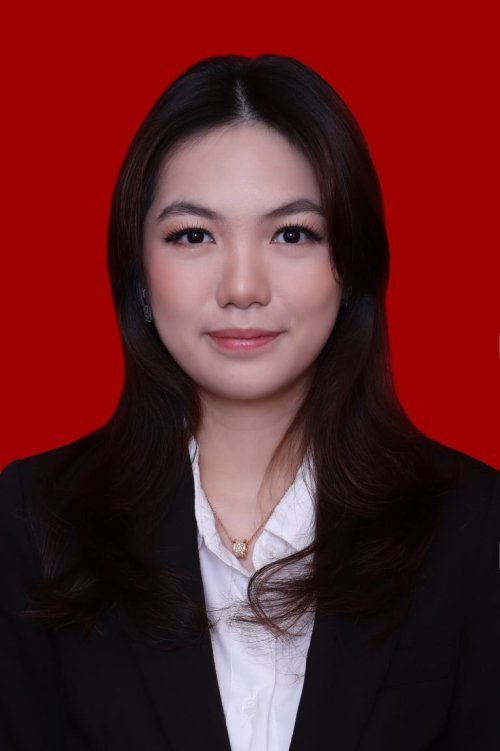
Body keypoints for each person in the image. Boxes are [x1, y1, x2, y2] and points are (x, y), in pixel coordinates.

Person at [0, 53, 498, 751]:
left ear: (351, 266)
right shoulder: (37, 519)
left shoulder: (470, 523)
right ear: (139, 274)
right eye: (193, 235)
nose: (242, 287)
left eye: (292, 234)